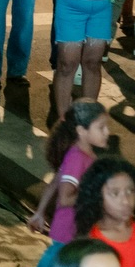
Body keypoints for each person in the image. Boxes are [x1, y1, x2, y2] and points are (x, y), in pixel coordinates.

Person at [27, 100, 110, 245]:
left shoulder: (82, 153)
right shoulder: (77, 158)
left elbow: (54, 183)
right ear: (82, 131)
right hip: (71, 234)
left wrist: (40, 213)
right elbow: (65, 199)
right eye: (101, 127)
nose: (107, 132)